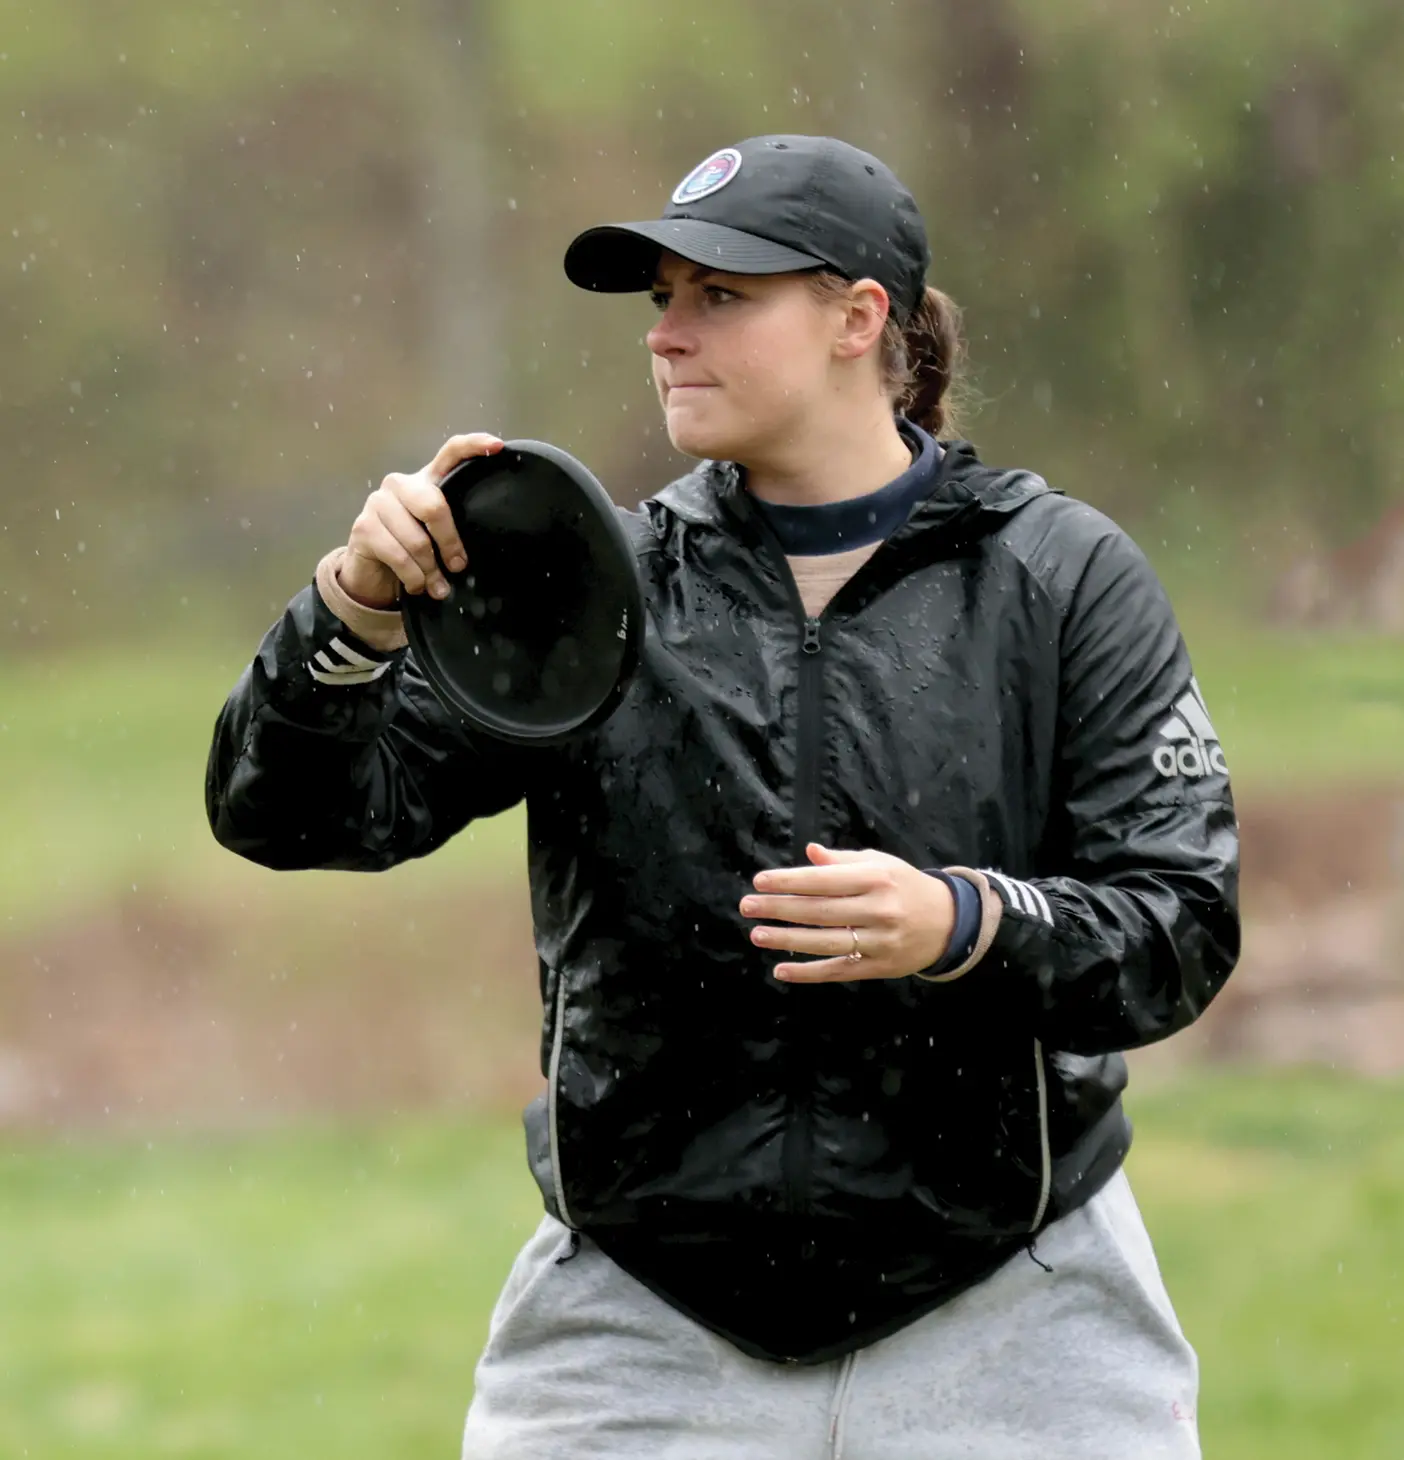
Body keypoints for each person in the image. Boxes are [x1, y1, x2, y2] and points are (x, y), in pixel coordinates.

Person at [206, 135, 1240, 1459]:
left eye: (721, 297)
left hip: (1015, 1308)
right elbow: (289, 815)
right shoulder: (591, 579)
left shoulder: (1060, 580)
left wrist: (961, 925)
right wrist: (346, 619)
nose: (669, 336)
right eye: (662, 302)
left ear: (860, 320)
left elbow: (1180, 924)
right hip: (638, 1320)